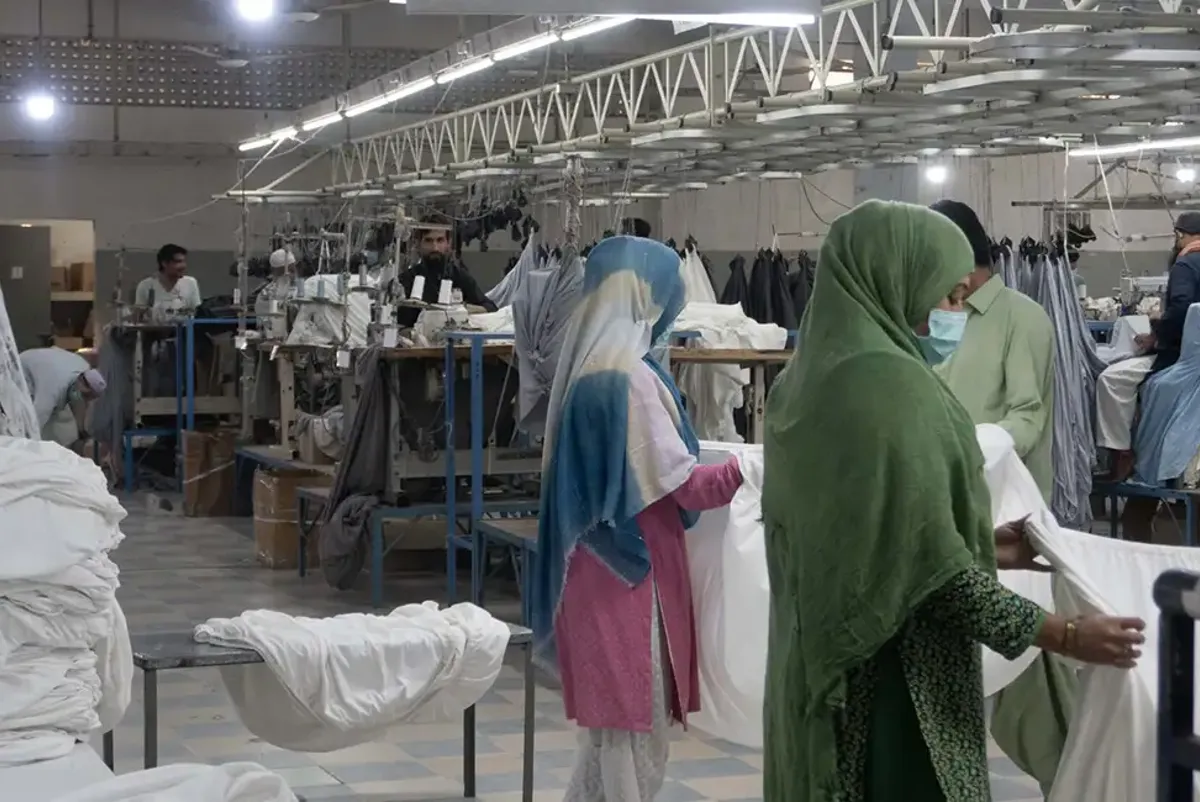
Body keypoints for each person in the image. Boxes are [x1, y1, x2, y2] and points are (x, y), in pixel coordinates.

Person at [760, 200, 1145, 802]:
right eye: (947, 298)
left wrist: (982, 543)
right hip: (897, 678)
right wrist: (1065, 635)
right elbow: (931, 578)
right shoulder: (891, 387)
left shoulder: (802, 383)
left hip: (825, 661)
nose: (954, 315)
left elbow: (864, 537)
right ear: (897, 285)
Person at [533, 235, 743, 802]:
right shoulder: (629, 378)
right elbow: (682, 483)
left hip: (590, 570)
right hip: (630, 576)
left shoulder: (585, 373)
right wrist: (748, 474)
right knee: (635, 733)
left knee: (607, 734)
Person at [926, 199, 1070, 795]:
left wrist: (972, 447)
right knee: (954, 668)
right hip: (944, 517)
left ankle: (1071, 780)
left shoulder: (1022, 318)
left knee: (1030, 675)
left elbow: (1027, 417)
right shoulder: (935, 317)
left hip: (1007, 518)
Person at [1098, 211, 1200, 479]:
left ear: (1180, 235)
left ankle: (1122, 452)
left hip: (1182, 357)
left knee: (1111, 378)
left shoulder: (1186, 265)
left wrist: (1156, 330)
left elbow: (1180, 310)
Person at [19, 346, 107, 449]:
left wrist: (81, 430)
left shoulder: (83, 368)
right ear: (82, 381)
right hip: (22, 370)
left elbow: (79, 403)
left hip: (42, 362)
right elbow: (36, 418)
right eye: (84, 395)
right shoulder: (53, 389)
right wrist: (25, 444)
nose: (82, 398)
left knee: (64, 426)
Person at [398, 221, 496, 311]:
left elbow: (491, 307)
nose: (435, 248)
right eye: (428, 240)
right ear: (418, 244)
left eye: (440, 240)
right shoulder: (406, 280)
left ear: (448, 243)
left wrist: (463, 309)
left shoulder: (460, 277)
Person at [135, 244, 202, 313]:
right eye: (178, 262)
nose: (183, 266)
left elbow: (197, 313)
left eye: (184, 261)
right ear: (164, 263)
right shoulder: (146, 285)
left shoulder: (190, 283)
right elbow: (138, 316)